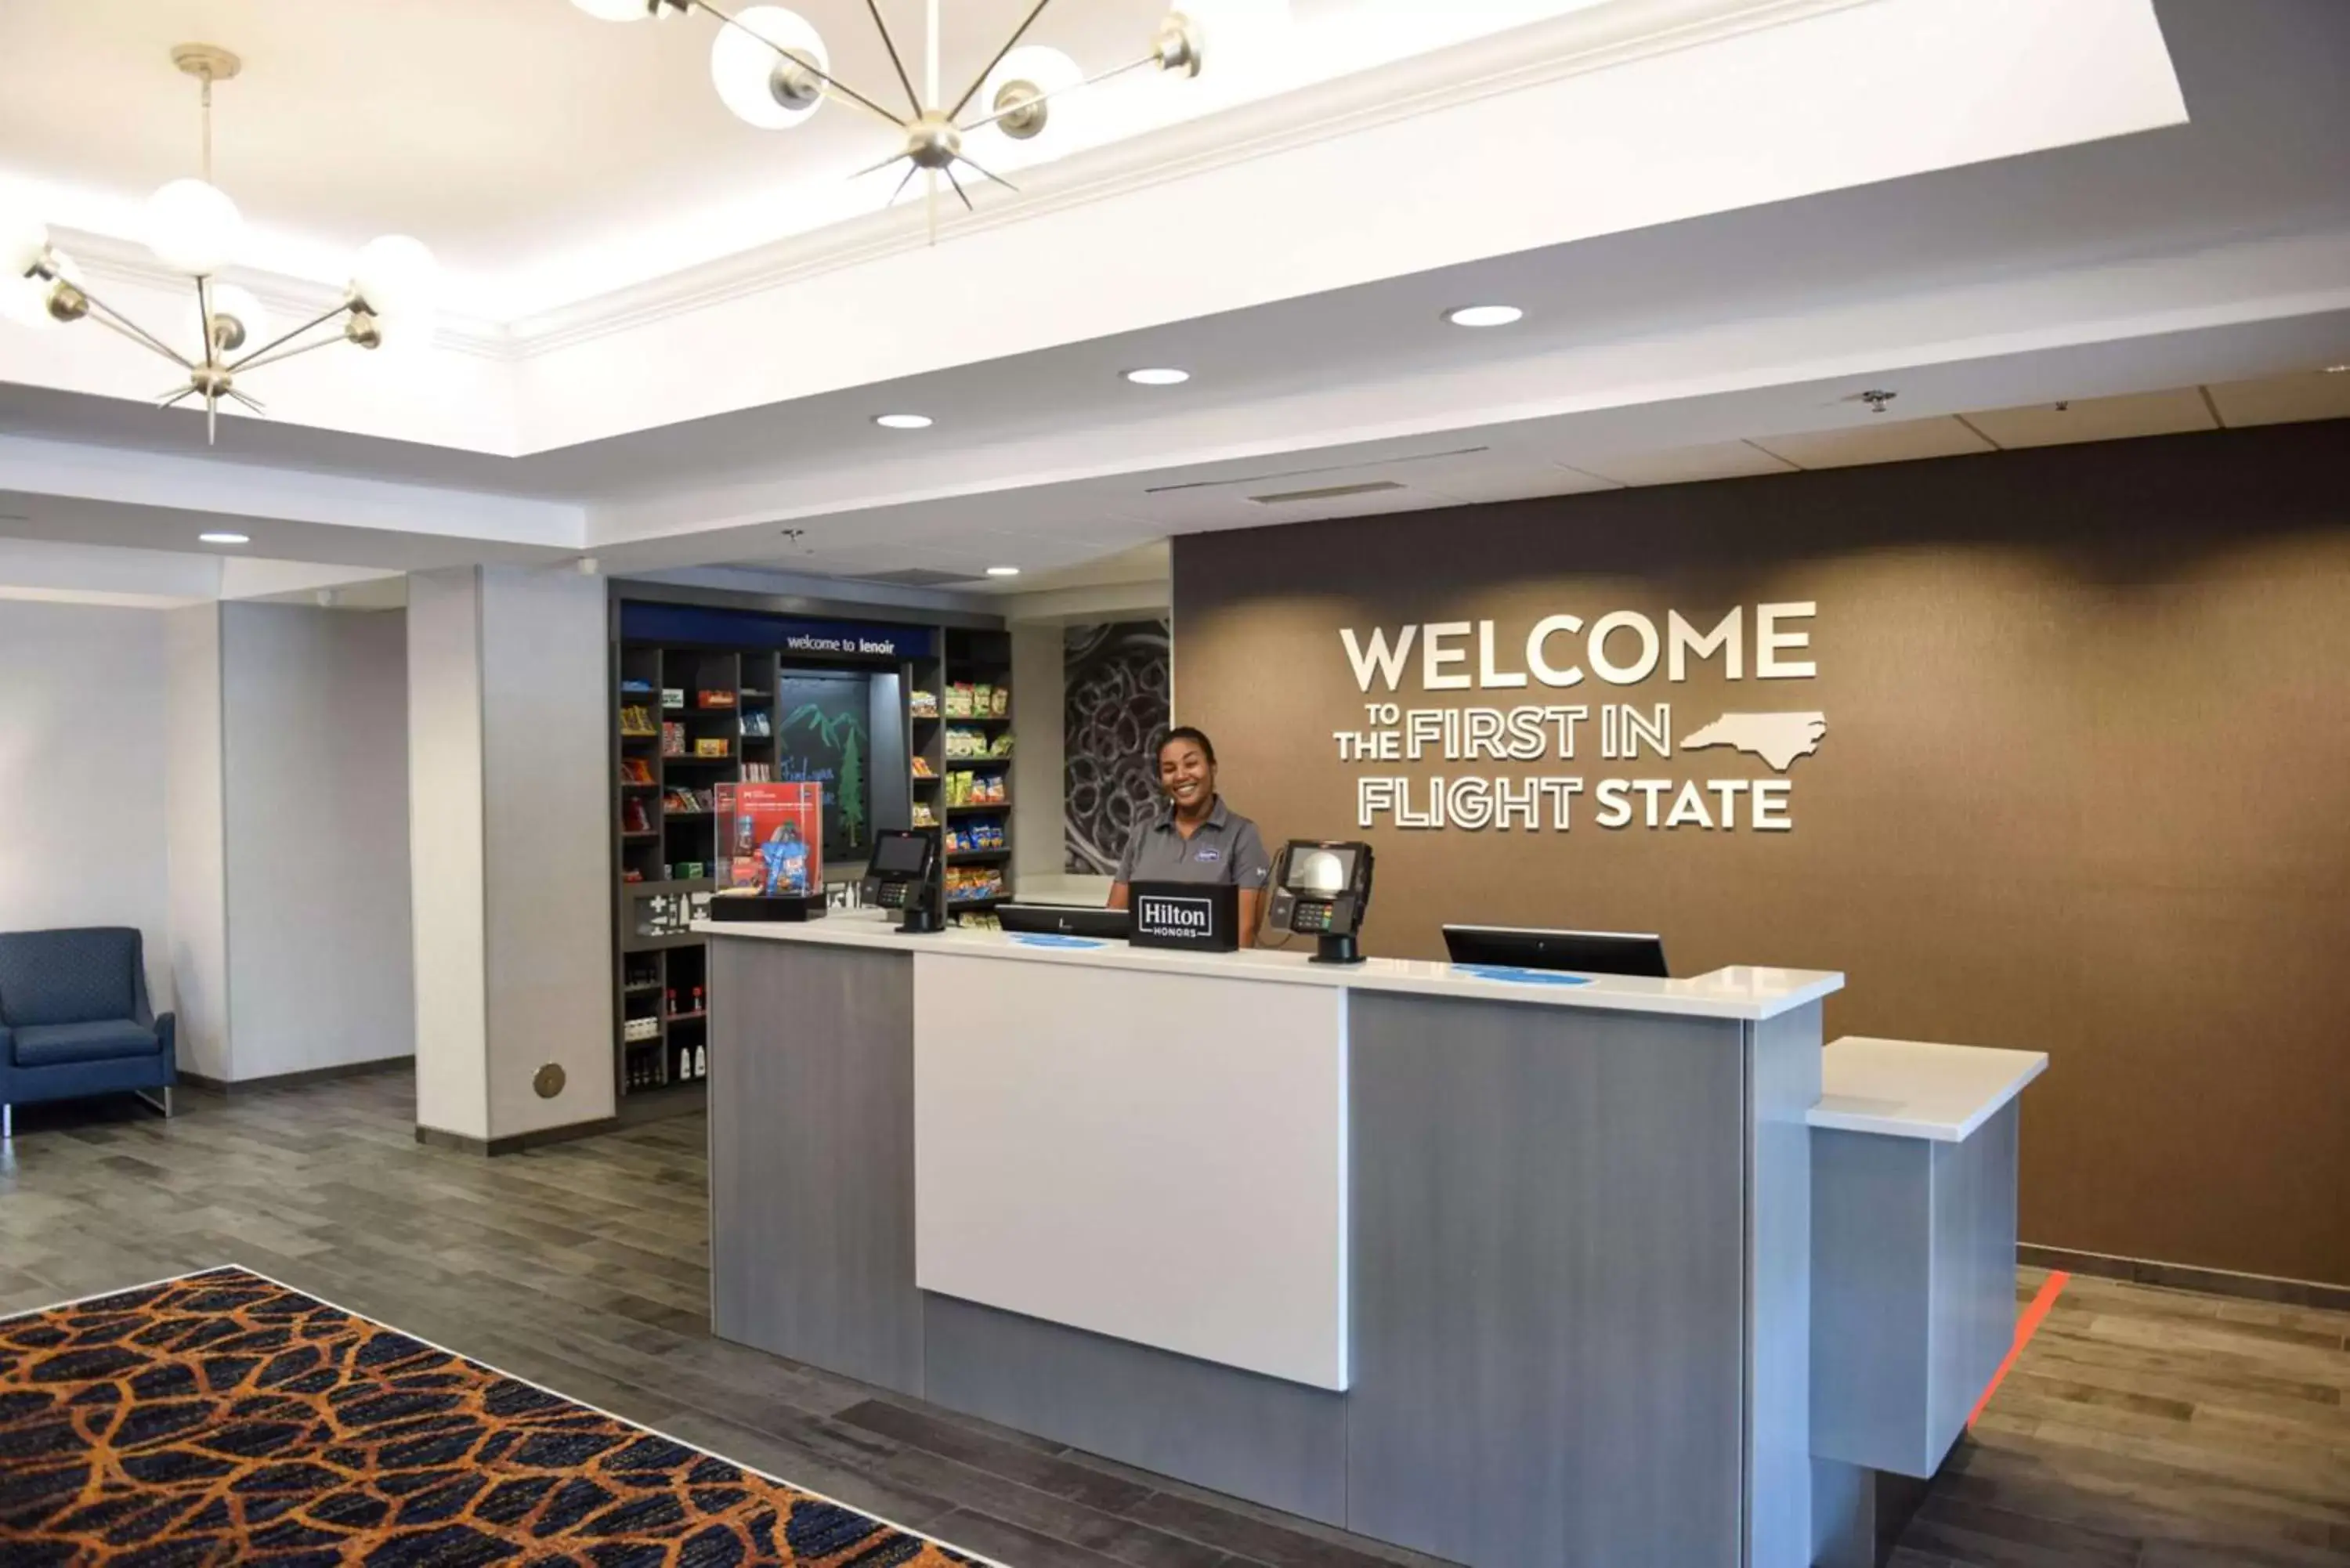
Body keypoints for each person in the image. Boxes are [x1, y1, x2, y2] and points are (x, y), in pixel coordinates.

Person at [1108, 726, 1272, 943]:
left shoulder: (1243, 835)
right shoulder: (1142, 835)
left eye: (1191, 764)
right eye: (1169, 769)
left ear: (1212, 768)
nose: (1181, 776)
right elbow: (1113, 921)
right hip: (1145, 971)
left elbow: (1245, 931)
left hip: (1209, 973)